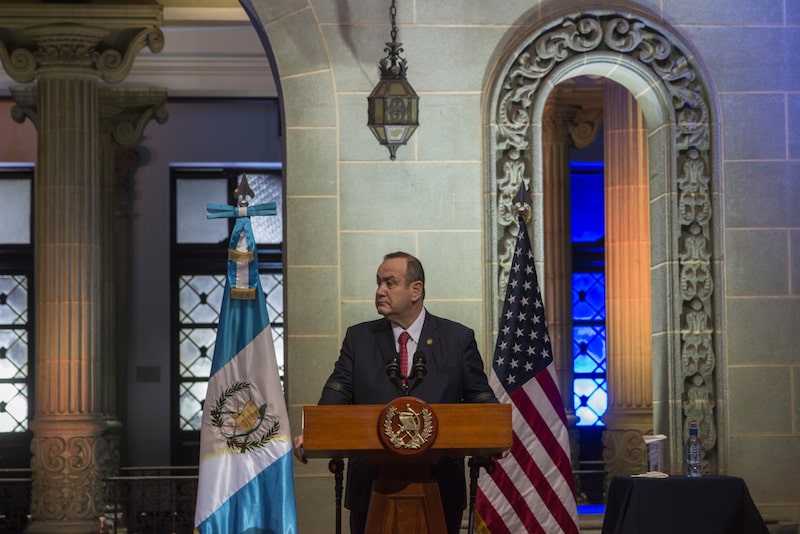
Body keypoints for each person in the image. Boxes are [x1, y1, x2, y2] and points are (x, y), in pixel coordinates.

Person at [293, 251, 497, 534]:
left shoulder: (457, 339)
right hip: (370, 486)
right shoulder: (359, 338)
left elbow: (480, 396)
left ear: (416, 290)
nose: (380, 291)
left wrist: (496, 432)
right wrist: (314, 432)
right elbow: (338, 389)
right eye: (378, 283)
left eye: (389, 283)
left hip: (440, 488)